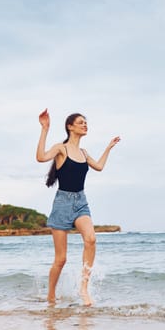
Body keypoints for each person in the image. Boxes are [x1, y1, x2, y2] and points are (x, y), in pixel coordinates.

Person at [36, 109, 120, 306]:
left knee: (91, 239)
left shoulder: (83, 152)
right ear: (70, 126)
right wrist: (45, 129)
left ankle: (83, 288)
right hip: (62, 203)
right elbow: (41, 157)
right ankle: (50, 296)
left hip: (81, 202)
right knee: (61, 259)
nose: (85, 125)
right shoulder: (61, 149)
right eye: (81, 122)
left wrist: (108, 147)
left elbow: (99, 166)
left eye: (85, 122)